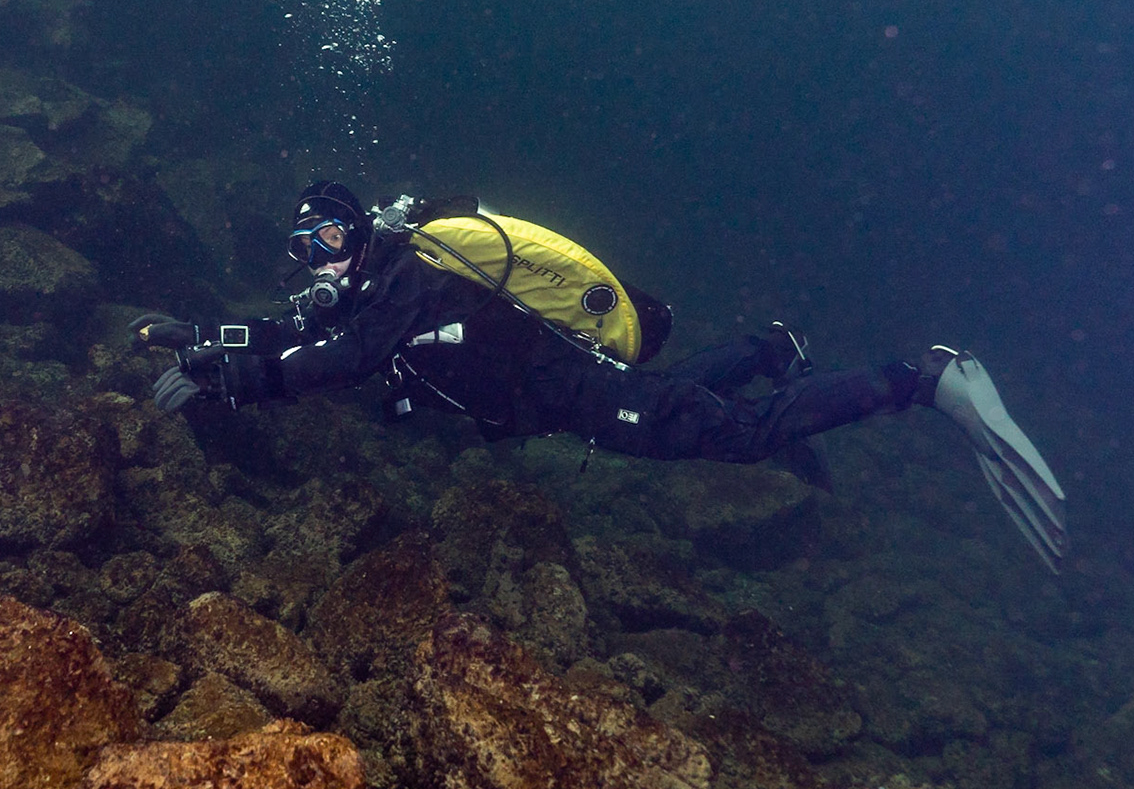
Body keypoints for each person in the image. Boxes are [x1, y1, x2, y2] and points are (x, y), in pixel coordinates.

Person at [133, 181, 1071, 571]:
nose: (318, 262)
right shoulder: (372, 286)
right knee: (687, 408)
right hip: (564, 397)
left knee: (733, 437)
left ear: (362, 230)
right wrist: (207, 340)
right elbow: (295, 329)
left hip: (573, 389)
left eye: (330, 239)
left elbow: (344, 359)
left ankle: (925, 377)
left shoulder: (409, 273)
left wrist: (236, 385)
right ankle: (770, 349)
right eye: (304, 249)